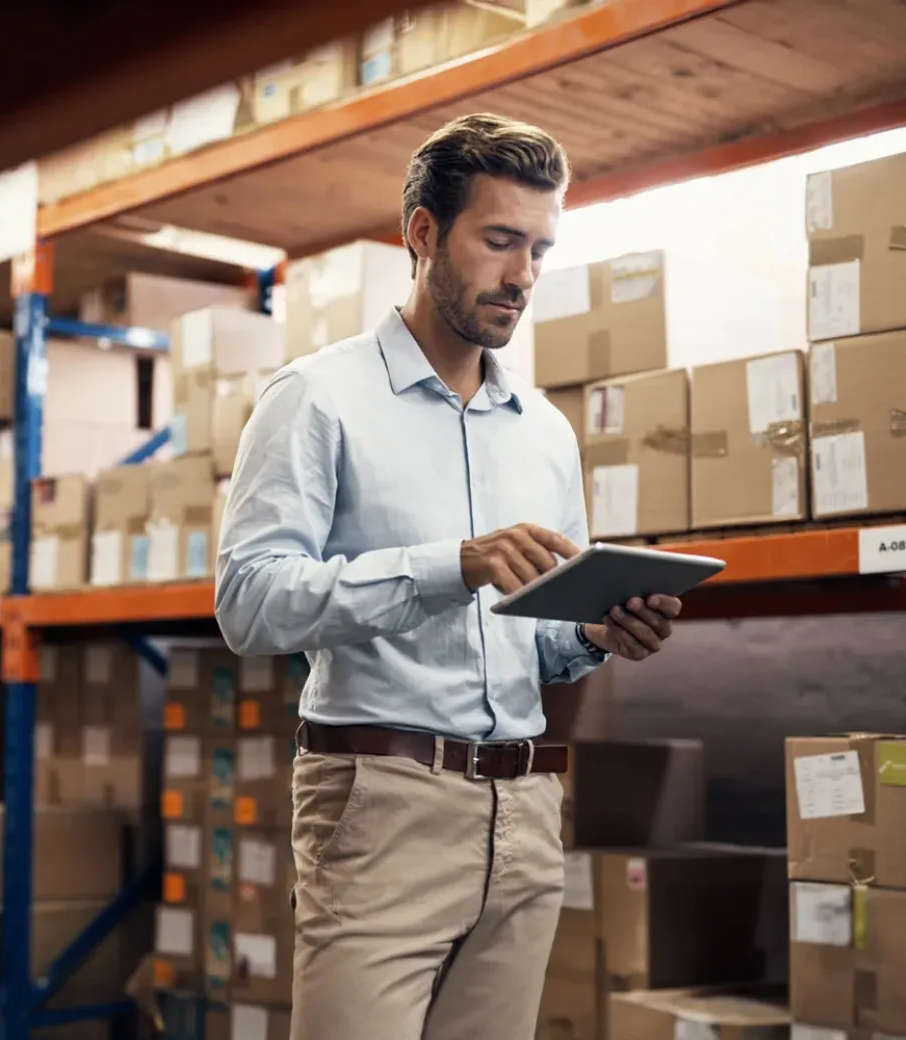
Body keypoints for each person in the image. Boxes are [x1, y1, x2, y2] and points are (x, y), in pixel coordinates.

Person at [215, 113, 682, 1040]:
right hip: (383, 804)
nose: (523, 277)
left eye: (541, 250)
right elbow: (250, 602)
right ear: (423, 234)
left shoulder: (545, 431)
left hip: (526, 811)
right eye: (500, 240)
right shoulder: (317, 398)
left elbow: (539, 640)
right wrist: (448, 566)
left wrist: (592, 633)